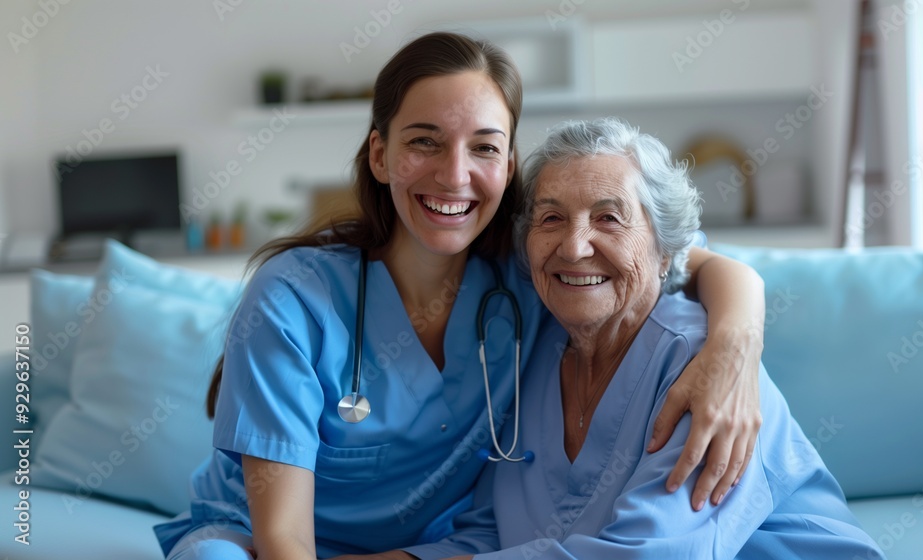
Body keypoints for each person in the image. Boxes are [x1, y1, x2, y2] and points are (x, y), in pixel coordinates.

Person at [154, 34, 767, 560]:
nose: (454, 175)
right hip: (257, 540)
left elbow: (688, 261)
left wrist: (735, 347)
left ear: (507, 165)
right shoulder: (293, 297)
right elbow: (284, 540)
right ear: (380, 155)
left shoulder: (540, 270)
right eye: (424, 141)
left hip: (434, 547)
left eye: (483, 147)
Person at [397, 118, 884, 559]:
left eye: (609, 218)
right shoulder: (534, 355)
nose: (574, 245)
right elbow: (492, 536)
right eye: (550, 219)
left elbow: (648, 555)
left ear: (668, 250)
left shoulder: (703, 367)